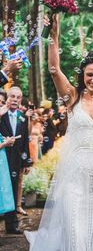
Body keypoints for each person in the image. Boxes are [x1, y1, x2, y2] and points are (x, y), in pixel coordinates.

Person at [25, 14, 93, 251]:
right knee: (77, 232)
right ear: (82, 75)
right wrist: (54, 36)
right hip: (74, 177)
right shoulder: (73, 98)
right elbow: (54, 69)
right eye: (90, 74)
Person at [0, 86, 31, 234]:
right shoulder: (1, 114)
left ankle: (11, 226)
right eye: (12, 96)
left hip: (16, 158)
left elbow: (25, 140)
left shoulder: (23, 117)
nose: (15, 100)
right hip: (2, 157)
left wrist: (26, 162)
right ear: (7, 98)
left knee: (12, 190)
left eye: (18, 97)